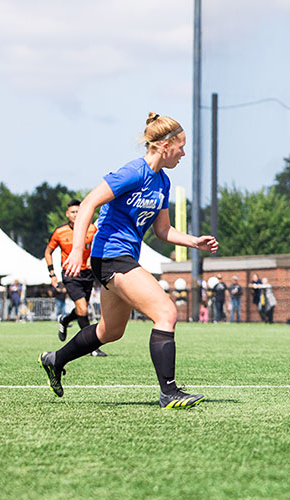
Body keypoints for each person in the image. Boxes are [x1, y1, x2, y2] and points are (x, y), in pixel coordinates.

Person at [38, 112, 218, 409]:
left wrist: (193, 241)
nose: (184, 153)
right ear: (165, 145)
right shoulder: (133, 172)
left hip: (121, 258)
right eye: (181, 147)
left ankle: (54, 360)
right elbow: (87, 205)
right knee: (165, 312)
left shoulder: (162, 182)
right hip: (110, 256)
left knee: (111, 331)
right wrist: (75, 251)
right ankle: (169, 392)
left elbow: (162, 230)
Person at [44, 199, 106, 356]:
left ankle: (64, 320)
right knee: (83, 309)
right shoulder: (60, 232)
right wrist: (52, 274)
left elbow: (99, 246)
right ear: (67, 214)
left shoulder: (92, 229)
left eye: (78, 212)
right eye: (73, 212)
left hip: (88, 274)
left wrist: (94, 259)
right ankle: (92, 347)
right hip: (71, 273)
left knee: (81, 309)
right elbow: (48, 252)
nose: (76, 215)